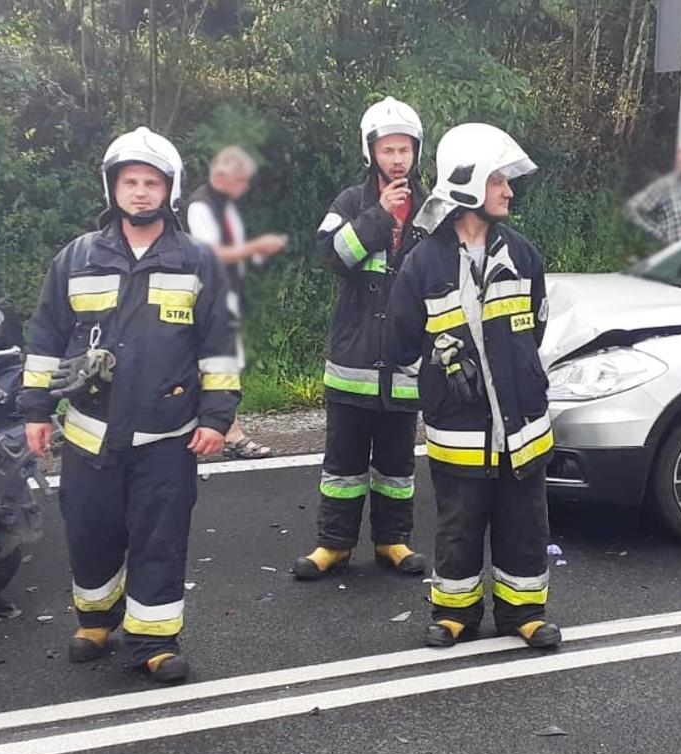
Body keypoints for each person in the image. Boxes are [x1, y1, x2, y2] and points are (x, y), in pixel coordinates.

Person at [19, 126, 240, 685]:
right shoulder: (76, 259)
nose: (140, 192)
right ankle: (95, 620)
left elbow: (219, 345)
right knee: (88, 530)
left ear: (170, 190)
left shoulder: (197, 261)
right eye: (129, 182)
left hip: (166, 437)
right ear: (112, 188)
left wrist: (216, 417)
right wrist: (35, 411)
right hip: (90, 434)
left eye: (151, 183)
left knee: (158, 538)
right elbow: (46, 338)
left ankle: (154, 641)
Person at [388, 122, 561, 650]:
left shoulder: (524, 255)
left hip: (523, 428)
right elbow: (399, 346)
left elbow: (537, 326)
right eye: (499, 181)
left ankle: (523, 614)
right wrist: (440, 378)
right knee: (458, 524)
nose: (509, 190)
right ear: (467, 185)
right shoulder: (423, 263)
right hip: (459, 430)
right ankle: (454, 613)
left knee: (524, 523)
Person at [293, 96, 432, 581]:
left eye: (405, 150)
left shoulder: (433, 208)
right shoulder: (351, 203)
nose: (397, 160)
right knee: (343, 465)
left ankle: (393, 541)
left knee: (397, 466)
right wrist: (378, 217)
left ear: (417, 153)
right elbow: (331, 256)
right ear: (370, 151)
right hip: (353, 362)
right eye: (388, 150)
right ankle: (333, 545)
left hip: (405, 365)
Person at [182, 145, 288, 459]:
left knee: (222, 362)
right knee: (218, 361)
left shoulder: (225, 207)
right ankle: (230, 431)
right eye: (239, 180)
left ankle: (222, 428)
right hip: (205, 296)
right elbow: (210, 254)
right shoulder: (200, 207)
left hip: (227, 291)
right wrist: (256, 246)